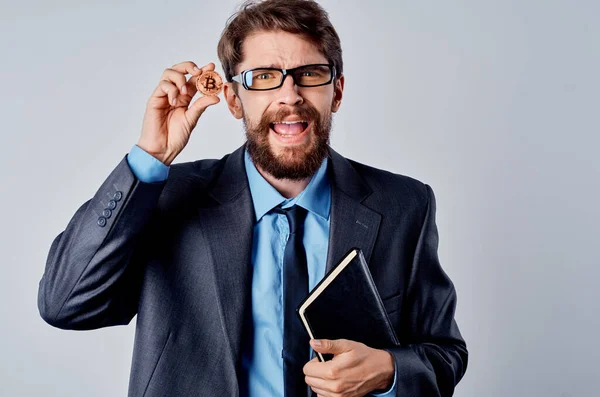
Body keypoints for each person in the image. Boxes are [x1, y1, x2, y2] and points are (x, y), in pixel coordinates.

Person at [37, 0, 468, 396]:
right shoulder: (166, 196)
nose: (289, 95)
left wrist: (391, 370)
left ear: (336, 91)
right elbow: (66, 303)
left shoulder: (404, 205)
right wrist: (151, 159)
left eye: (310, 74)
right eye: (263, 78)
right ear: (232, 99)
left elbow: (446, 354)